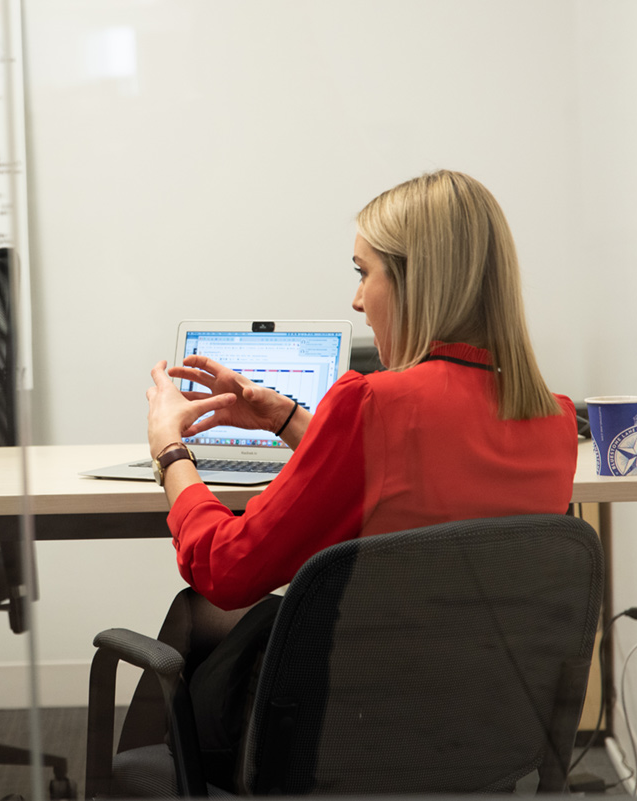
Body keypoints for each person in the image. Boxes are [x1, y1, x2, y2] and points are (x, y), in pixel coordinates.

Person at [138, 169, 579, 788]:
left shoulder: (373, 404)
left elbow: (226, 567)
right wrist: (290, 419)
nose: (355, 300)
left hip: (351, 736)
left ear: (413, 281)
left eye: (362, 273)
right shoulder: (553, 420)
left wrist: (170, 450)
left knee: (198, 609)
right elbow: (417, 474)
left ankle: (139, 775)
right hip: (482, 736)